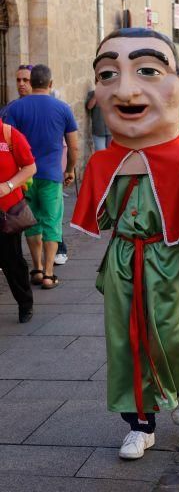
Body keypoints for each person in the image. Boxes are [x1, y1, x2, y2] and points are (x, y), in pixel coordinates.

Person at [71, 27, 179, 461]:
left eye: (148, 70)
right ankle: (139, 425)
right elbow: (98, 214)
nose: (126, 88)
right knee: (125, 342)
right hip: (124, 257)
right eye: (108, 74)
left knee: (172, 336)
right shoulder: (105, 159)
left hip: (169, 256)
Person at [5, 64, 79, 289]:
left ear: (30, 82)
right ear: (50, 84)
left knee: (32, 223)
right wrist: (70, 170)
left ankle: (36, 268)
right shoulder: (63, 108)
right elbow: (73, 147)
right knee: (52, 223)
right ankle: (48, 274)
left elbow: (5, 144)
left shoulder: (13, 109)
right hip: (51, 175)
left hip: (24, 177)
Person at [0, 119, 37, 322]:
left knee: (11, 260)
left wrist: (9, 185)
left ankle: (25, 304)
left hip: (7, 210)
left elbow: (30, 167)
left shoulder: (9, 134)